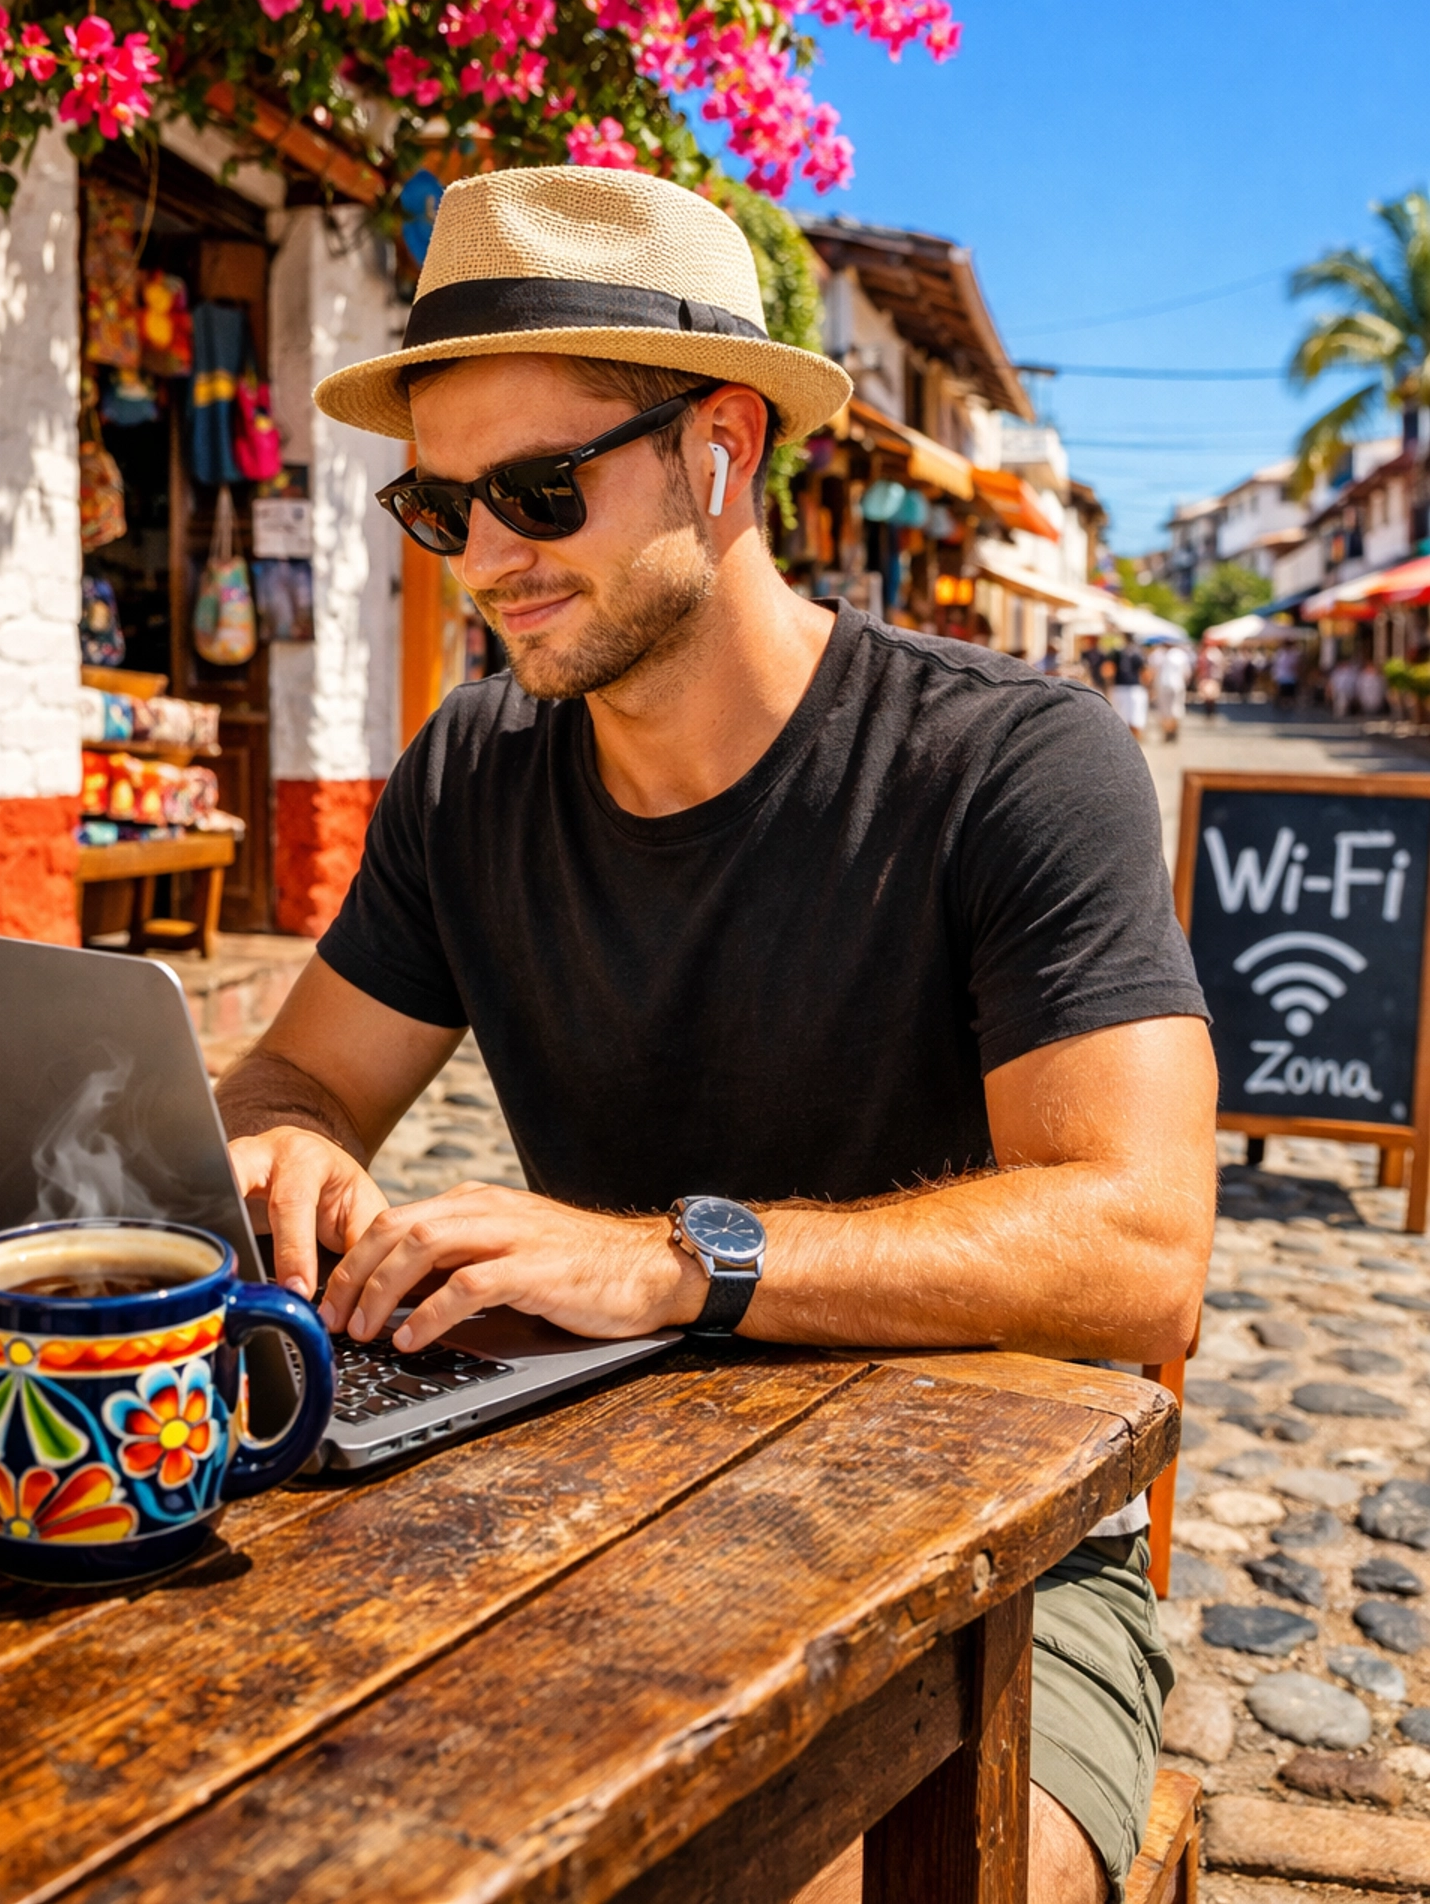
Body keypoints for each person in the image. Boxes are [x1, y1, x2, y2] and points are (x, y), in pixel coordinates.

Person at [217, 166, 1215, 1904]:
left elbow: (1140, 1249)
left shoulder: (1008, 762)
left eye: (538, 489)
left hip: (998, 1577)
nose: (489, 563)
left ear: (724, 449)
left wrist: (678, 1262)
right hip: (587, 1516)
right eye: (443, 508)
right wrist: (283, 1138)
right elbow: (301, 1071)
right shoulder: (471, 775)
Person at [1147, 640, 1188, 743]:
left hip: (1162, 685)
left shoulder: (1157, 654)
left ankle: (1167, 733)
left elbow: (1152, 672)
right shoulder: (1180, 654)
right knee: (1176, 709)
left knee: (1164, 711)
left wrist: (1151, 688)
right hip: (1177, 685)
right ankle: (1173, 732)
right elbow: (1187, 673)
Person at [1108, 640, 1149, 739]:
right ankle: (1134, 743)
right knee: (1135, 718)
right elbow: (1146, 673)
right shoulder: (1139, 653)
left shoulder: (1117, 652)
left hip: (1120, 688)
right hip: (1135, 688)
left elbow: (1108, 670)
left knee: (1121, 719)